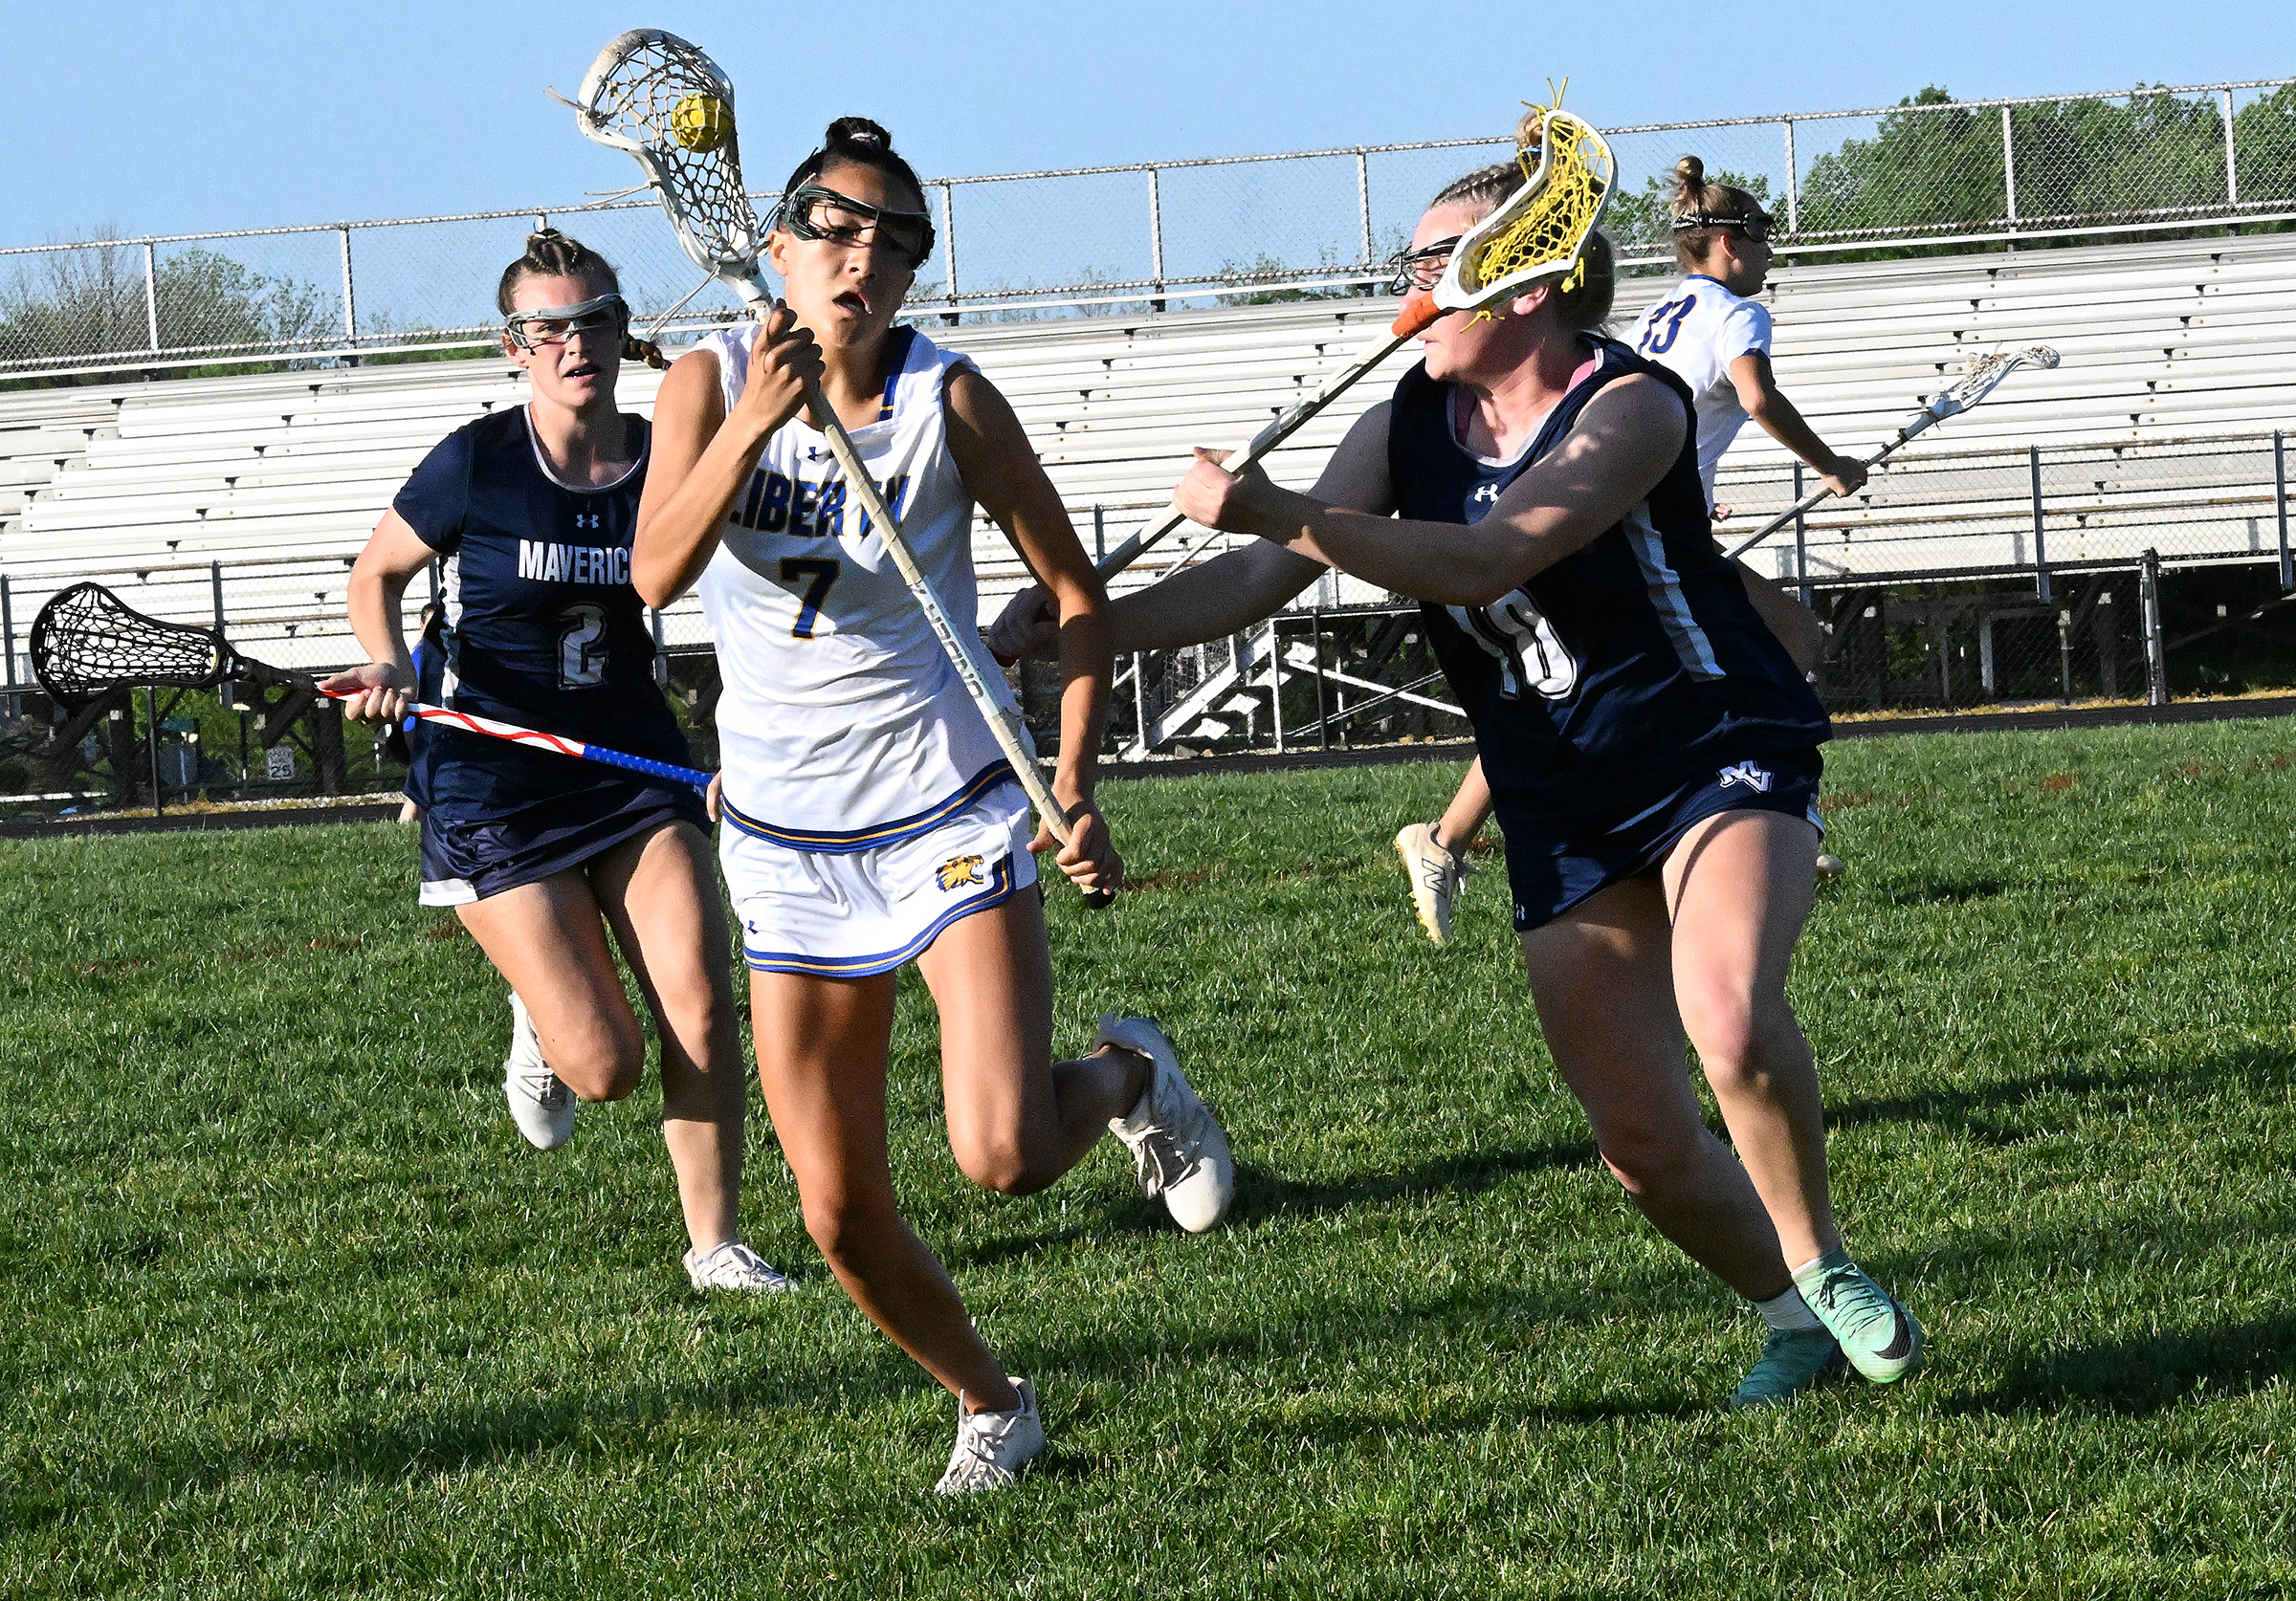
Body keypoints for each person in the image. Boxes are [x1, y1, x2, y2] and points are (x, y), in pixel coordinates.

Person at [1000, 160, 1921, 1410]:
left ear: (1529, 284)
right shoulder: (1402, 424)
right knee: (1642, 1147)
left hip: (1708, 748)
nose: (1414, 289)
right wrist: (1079, 629)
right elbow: (1254, 587)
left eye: (1440, 266)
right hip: (1556, 794)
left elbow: (1489, 558)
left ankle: (1819, 1263)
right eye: (1411, 268)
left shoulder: (1629, 406)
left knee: (1731, 1012)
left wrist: (1274, 510)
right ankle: (1789, 1320)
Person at [631, 118, 1236, 1494]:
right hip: (786, 844)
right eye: (837, 230)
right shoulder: (702, 382)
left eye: (896, 241)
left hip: (946, 808)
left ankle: (1135, 1078)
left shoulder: (948, 399)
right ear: (778, 249)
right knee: (840, 1213)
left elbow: (1076, 605)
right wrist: (749, 429)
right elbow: (655, 575)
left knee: (1006, 1152)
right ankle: (993, 1403)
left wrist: (1072, 781)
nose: (866, 259)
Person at [322, 230, 789, 1296]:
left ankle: (714, 1245)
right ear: (514, 346)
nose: (575, 343)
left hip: (632, 764)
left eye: (596, 321)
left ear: (624, 331)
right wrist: (389, 661)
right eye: (550, 328)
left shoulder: (667, 453)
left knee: (705, 1005)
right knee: (606, 1067)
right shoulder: (478, 462)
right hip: (493, 782)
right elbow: (376, 575)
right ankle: (543, 1015)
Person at [1393, 154, 1864, 944]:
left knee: (1571, 680)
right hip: (1631, 519)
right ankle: (1754, 811)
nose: (1770, 255)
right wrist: (1829, 465)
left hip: (1619, 504)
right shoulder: (1740, 313)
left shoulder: (1663, 310)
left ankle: (1743, 827)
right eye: (1764, 238)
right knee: (1792, 636)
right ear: (1728, 243)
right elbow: (1754, 396)